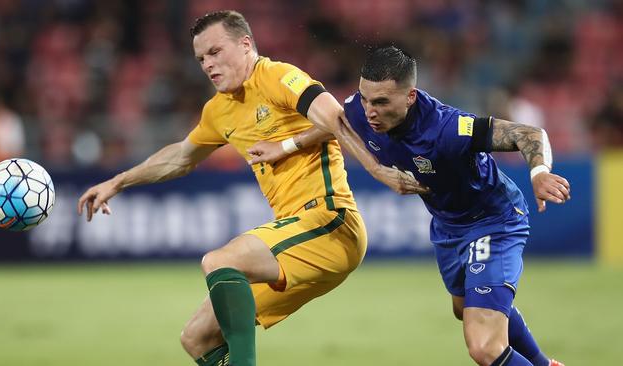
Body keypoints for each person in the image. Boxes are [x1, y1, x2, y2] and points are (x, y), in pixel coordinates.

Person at [77, 12, 420, 366]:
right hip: (295, 234)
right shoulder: (219, 110)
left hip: (329, 221)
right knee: (198, 337)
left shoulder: (276, 77)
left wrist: (376, 169)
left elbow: (337, 117)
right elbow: (180, 157)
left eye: (215, 52)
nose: (208, 64)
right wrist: (117, 182)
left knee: (220, 261)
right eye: (201, 59)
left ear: (245, 45)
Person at [247, 46, 569, 366]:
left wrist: (539, 173)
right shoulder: (362, 111)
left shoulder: (448, 128)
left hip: (492, 222)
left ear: (410, 97)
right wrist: (285, 146)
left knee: (484, 346)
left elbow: (527, 134)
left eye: (382, 102)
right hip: (447, 226)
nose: (370, 110)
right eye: (365, 98)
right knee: (465, 308)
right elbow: (339, 124)